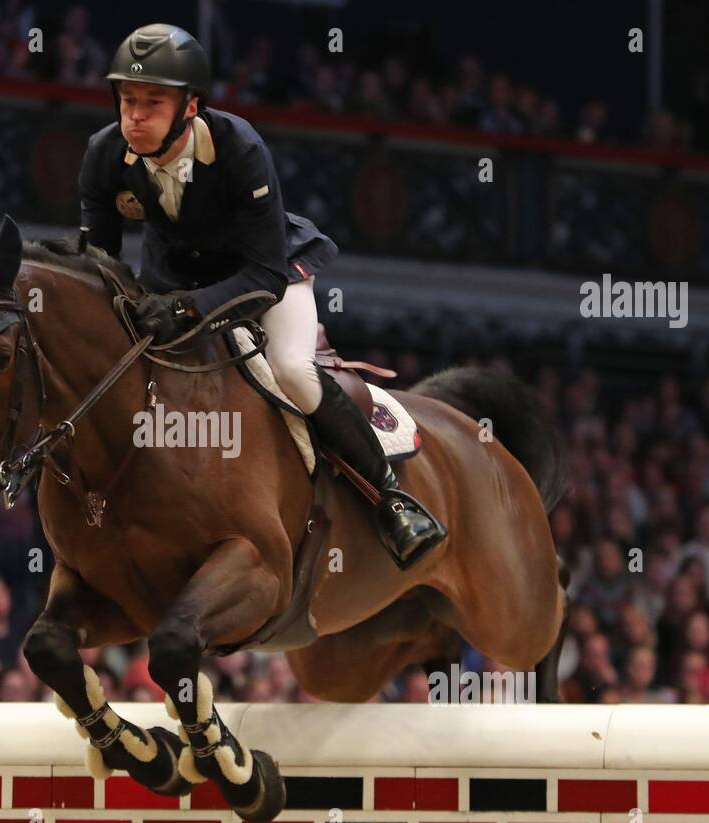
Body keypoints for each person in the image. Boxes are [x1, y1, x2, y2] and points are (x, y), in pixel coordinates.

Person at [79, 23, 445, 570]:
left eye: (152, 103)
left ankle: (390, 497)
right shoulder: (104, 154)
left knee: (292, 370)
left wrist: (185, 309)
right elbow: (98, 264)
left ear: (191, 106)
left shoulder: (240, 148)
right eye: (127, 100)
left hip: (268, 275)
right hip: (173, 274)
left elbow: (263, 275)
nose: (133, 116)